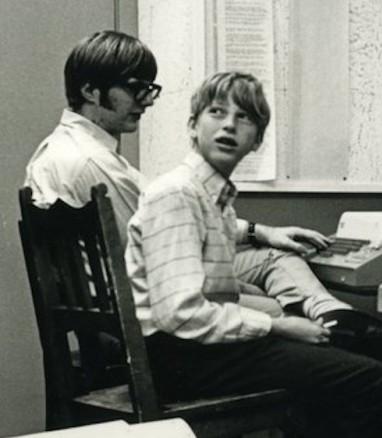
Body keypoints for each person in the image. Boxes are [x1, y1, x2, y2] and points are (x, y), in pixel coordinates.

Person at [24, 29, 362, 331]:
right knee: (288, 311)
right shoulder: (92, 163)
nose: (146, 102)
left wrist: (258, 232)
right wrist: (253, 297)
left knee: (272, 257)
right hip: (136, 317)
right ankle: (336, 321)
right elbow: (164, 247)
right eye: (135, 90)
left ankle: (331, 311)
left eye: (149, 90)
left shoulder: (61, 149)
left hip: (110, 310)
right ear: (90, 91)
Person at [125, 71, 382, 437]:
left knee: (344, 351)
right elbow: (180, 314)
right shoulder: (177, 194)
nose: (229, 126)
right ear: (192, 126)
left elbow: (210, 233)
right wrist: (279, 325)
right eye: (216, 112)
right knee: (368, 378)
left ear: (257, 141)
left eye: (244, 117)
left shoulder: (209, 196)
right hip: (180, 357)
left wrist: (262, 236)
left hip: (191, 349)